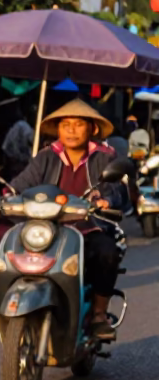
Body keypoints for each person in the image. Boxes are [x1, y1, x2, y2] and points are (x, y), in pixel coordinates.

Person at [9, 99, 127, 340]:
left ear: (92, 129)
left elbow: (116, 189)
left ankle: (98, 314)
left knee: (108, 253)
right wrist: (4, 197)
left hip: (89, 228)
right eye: (65, 124)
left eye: (78, 124)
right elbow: (20, 185)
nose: (71, 130)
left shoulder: (105, 157)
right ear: (58, 129)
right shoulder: (46, 156)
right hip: (48, 229)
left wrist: (106, 201)